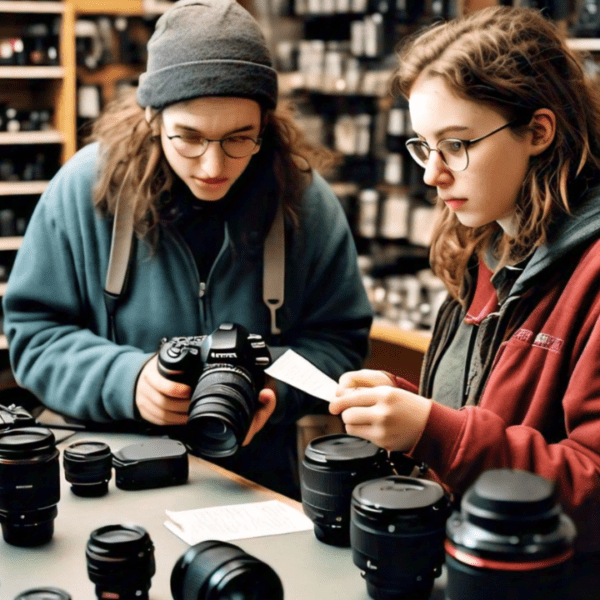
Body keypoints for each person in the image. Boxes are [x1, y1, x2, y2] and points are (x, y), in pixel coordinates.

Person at [2, 0, 373, 498]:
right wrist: (128, 381)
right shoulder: (84, 191)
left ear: (265, 122)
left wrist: (270, 391)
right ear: (153, 119)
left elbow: (340, 343)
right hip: (118, 478)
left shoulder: (302, 201)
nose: (213, 165)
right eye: (190, 138)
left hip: (252, 487)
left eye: (240, 138)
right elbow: (34, 336)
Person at [330, 5, 600, 560]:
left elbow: (590, 481)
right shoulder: (486, 246)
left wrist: (436, 432)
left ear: (539, 131)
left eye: (456, 144)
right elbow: (489, 417)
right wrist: (404, 411)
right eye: (424, 146)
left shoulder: (591, 271)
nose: (432, 173)